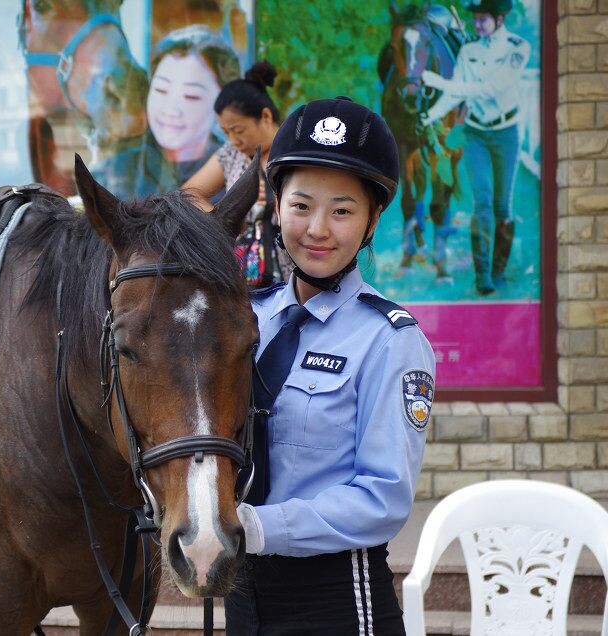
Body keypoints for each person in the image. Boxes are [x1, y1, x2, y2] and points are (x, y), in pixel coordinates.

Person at [227, 97, 436, 635]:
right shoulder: (245, 320)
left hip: (336, 600)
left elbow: (383, 498)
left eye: (342, 210)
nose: (318, 228)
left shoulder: (389, 340)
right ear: (276, 207)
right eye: (301, 205)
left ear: (372, 221)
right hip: (240, 593)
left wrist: (256, 525)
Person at [420, 0, 529, 295]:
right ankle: (483, 276)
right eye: (476, 19)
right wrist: (430, 114)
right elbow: (457, 92)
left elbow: (491, 88)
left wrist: (440, 83)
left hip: (507, 133)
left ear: (499, 19)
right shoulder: (469, 51)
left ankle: (499, 271)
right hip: (477, 133)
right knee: (480, 203)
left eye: (483, 20)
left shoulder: (518, 47)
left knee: (501, 204)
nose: (477, 25)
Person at [183, 60, 283, 288]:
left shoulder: (294, 150)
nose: (233, 140)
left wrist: (274, 203)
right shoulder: (230, 154)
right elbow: (187, 196)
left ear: (265, 117)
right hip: (243, 270)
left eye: (238, 130)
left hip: (291, 268)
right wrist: (226, 215)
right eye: (226, 132)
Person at [146, 25, 241, 183]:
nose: (170, 110)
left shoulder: (239, 178)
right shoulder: (119, 170)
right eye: (160, 90)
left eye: (191, 96)